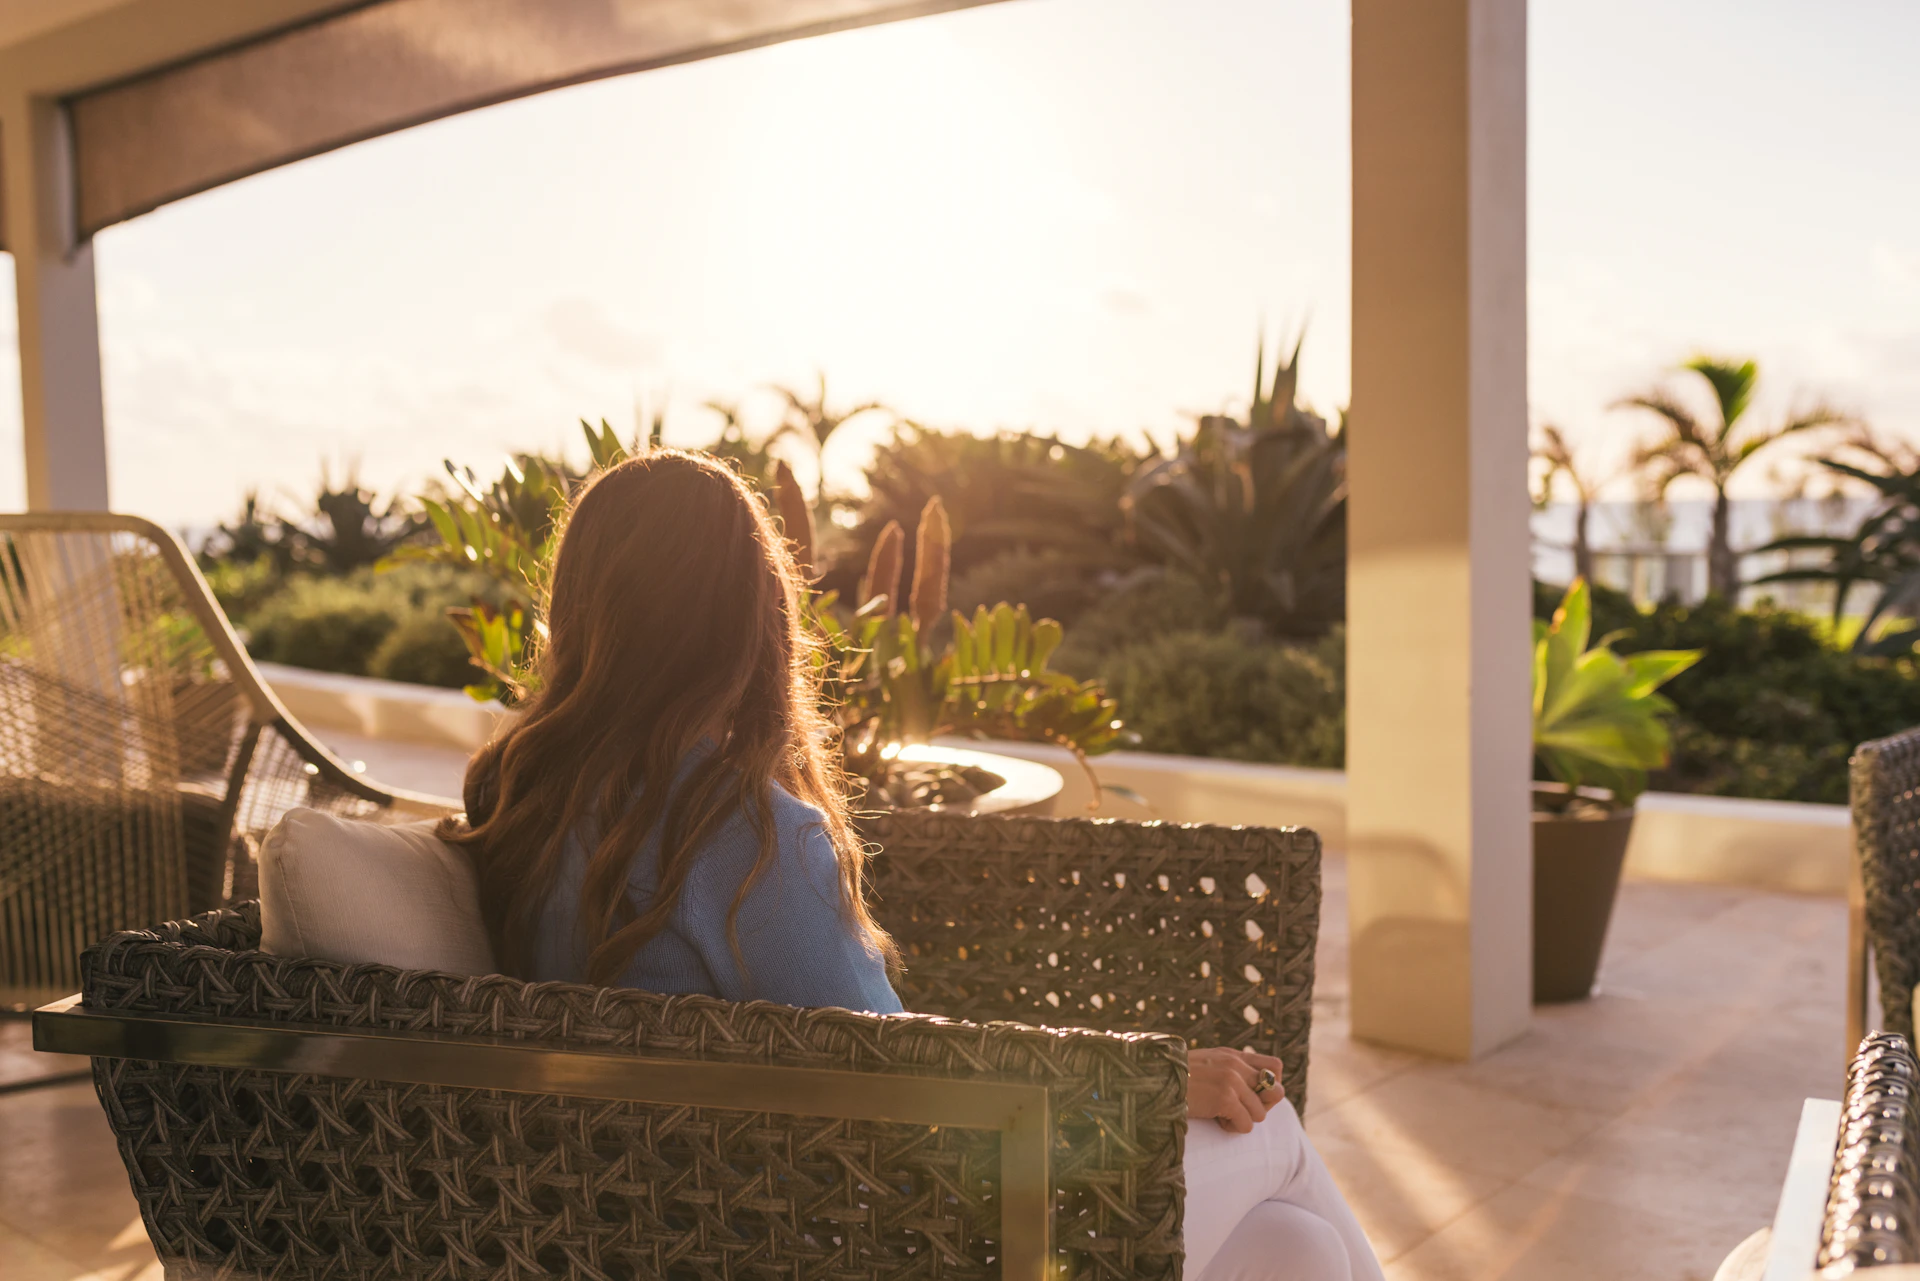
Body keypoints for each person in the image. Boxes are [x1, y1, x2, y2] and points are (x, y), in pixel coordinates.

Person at [449, 449, 1385, 1281]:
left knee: (1300, 1254)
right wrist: (1149, 1086)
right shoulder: (743, 836)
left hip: (674, 1228)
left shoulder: (519, 796)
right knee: (1278, 1136)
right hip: (883, 1242)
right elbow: (917, 1090)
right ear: (750, 617)